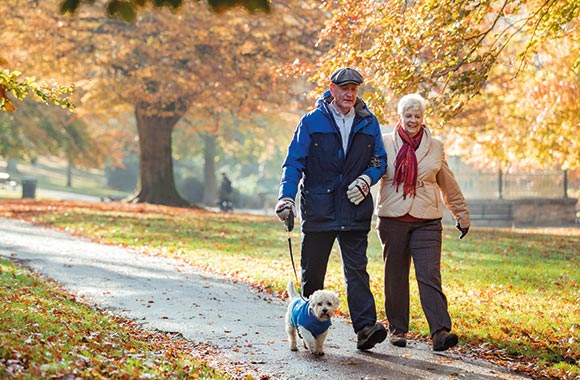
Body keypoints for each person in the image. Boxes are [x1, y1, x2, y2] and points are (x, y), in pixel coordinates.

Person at [275, 67, 388, 350]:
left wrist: (366, 180)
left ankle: (365, 329)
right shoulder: (312, 121)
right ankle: (308, 326)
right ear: (332, 88)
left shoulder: (368, 122)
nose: (349, 93)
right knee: (313, 274)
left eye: (354, 88)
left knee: (357, 272)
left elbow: (379, 160)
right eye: (344, 88)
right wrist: (286, 198)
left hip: (354, 207)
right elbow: (294, 162)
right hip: (319, 208)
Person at [375, 93, 470, 351]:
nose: (413, 120)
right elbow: (370, 173)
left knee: (429, 274)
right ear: (400, 117)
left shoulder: (435, 146)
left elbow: (447, 183)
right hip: (393, 218)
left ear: (423, 118)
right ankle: (397, 330)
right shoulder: (383, 143)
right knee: (395, 275)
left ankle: (439, 331)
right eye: (408, 115)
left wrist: (461, 214)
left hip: (427, 219)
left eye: (417, 116)